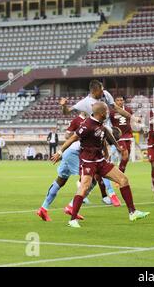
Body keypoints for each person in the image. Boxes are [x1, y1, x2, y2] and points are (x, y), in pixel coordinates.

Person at [37, 80, 128, 222]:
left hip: (71, 152)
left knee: (61, 180)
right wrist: (60, 152)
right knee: (90, 181)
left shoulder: (95, 118)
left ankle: (43, 208)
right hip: (77, 152)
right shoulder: (89, 121)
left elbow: (101, 135)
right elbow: (72, 135)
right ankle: (73, 207)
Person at [51, 102, 150, 228]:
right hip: (88, 162)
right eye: (106, 111)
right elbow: (72, 138)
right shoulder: (86, 126)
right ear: (101, 113)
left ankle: (133, 212)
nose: (108, 113)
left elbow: (106, 133)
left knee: (123, 179)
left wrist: (116, 145)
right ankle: (72, 219)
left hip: (100, 160)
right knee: (84, 187)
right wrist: (60, 152)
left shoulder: (100, 124)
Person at [109, 95, 133, 174]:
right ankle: (120, 175)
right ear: (115, 102)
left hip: (128, 136)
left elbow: (131, 121)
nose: (120, 102)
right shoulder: (111, 112)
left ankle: (120, 172)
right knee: (125, 154)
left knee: (126, 158)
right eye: (118, 100)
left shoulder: (128, 110)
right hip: (118, 136)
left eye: (121, 100)